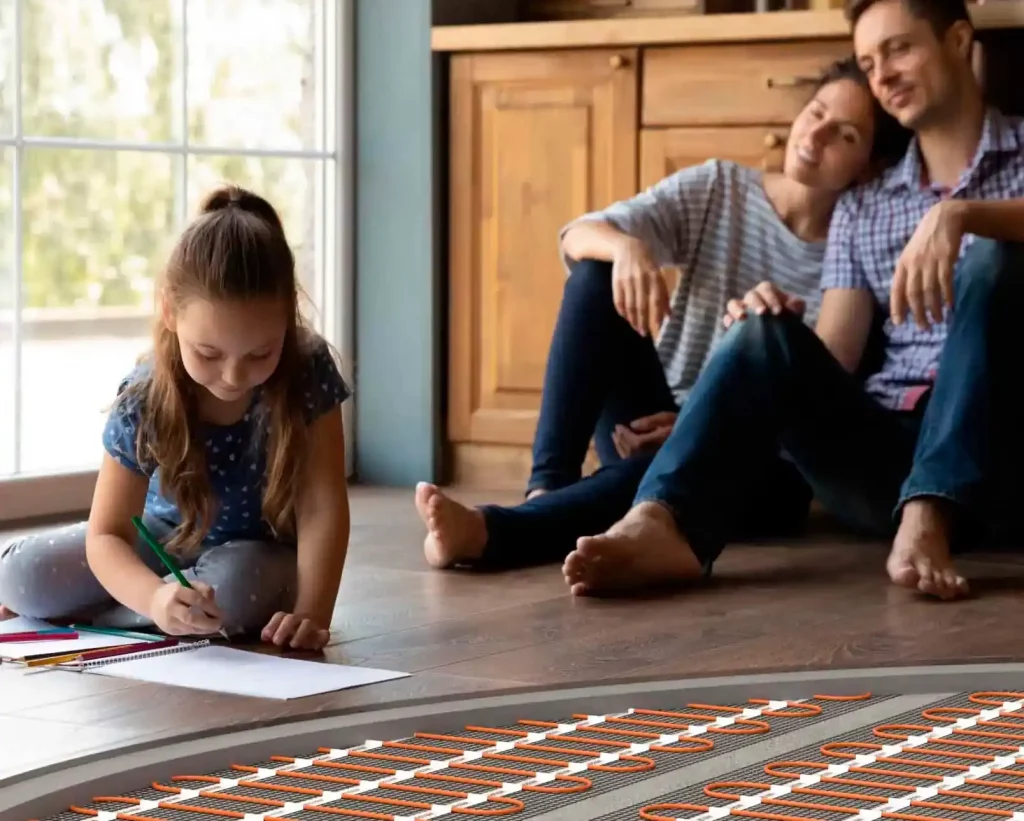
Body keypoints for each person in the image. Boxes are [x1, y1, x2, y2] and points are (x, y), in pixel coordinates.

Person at [561, 0, 1024, 602]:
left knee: (997, 254)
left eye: (898, 48)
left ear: (959, 40)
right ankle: (667, 523)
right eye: (867, 60)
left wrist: (962, 216)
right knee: (762, 331)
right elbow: (832, 358)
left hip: (1003, 451)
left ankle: (932, 513)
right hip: (885, 463)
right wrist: (762, 355)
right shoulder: (865, 204)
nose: (880, 74)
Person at [416, 58, 910, 572]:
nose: (817, 133)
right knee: (594, 274)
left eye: (846, 135)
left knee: (694, 463)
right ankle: (549, 486)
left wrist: (698, 426)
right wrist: (628, 248)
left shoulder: (859, 246)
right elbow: (577, 234)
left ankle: (496, 532)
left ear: (870, 166)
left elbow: (816, 399)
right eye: (816, 111)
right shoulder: (720, 188)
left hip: (764, 462)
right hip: (652, 417)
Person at [0, 186, 352, 650]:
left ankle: (121, 612)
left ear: (288, 318)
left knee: (235, 593)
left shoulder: (307, 370)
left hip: (256, 553)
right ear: (170, 311)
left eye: (260, 353)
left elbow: (323, 507)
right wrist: (155, 597)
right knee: (24, 576)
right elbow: (107, 533)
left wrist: (312, 615)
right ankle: (170, 615)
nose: (233, 375)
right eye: (208, 352)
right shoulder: (145, 394)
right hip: (164, 542)